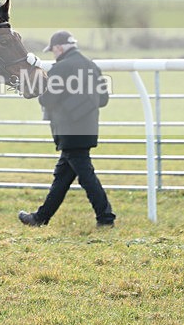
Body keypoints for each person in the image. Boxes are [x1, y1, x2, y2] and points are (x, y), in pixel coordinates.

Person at [18, 30, 116, 227]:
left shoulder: (60, 68)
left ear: (59, 47)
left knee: (86, 177)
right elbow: (103, 99)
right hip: (87, 128)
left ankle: (106, 218)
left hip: (69, 131)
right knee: (62, 177)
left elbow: (47, 99)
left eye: (53, 50)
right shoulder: (91, 66)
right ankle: (40, 218)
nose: (53, 53)